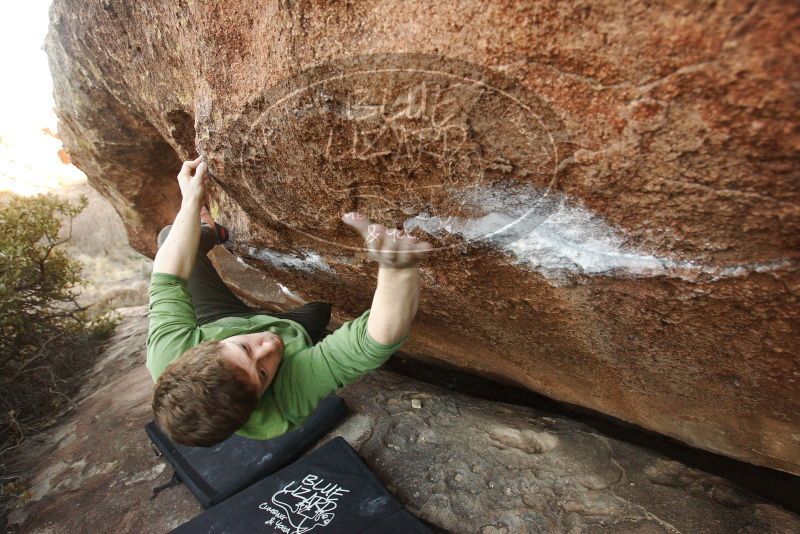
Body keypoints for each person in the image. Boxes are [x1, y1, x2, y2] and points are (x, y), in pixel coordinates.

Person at [146, 157, 432, 447]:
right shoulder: (281, 406)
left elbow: (167, 276)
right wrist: (398, 268)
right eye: (261, 372)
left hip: (215, 319)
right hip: (288, 342)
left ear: (203, 347)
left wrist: (191, 201)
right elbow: (371, 343)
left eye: (245, 348)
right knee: (320, 310)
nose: (269, 346)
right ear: (260, 398)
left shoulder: (168, 350)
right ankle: (289, 334)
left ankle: (210, 229)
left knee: (171, 236)